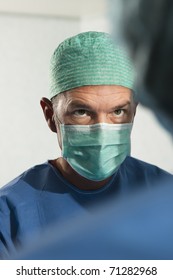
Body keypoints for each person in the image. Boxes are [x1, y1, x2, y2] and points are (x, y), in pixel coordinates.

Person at [0, 31, 172, 259]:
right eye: (82, 112)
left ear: (134, 111)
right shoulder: (11, 213)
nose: (102, 129)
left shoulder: (164, 197)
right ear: (50, 115)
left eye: (118, 111)